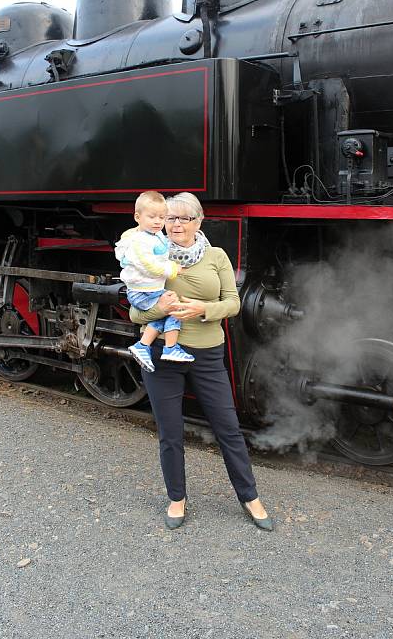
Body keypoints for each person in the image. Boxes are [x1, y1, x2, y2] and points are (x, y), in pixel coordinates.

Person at [128, 192, 273, 532]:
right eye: (171, 218)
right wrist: (161, 309)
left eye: (185, 218)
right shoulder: (150, 255)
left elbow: (232, 303)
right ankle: (176, 498)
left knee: (228, 429)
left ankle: (249, 496)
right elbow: (136, 311)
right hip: (163, 356)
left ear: (199, 221)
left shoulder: (216, 256)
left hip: (207, 356)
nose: (177, 224)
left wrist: (203, 309)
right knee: (170, 433)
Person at [115, 190, 195, 373]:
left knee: (163, 314)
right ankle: (170, 348)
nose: (158, 221)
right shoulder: (140, 241)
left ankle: (143, 346)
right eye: (152, 217)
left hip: (149, 288)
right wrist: (172, 269)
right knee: (174, 308)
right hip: (142, 291)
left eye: (162, 217)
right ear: (137, 217)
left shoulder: (152, 235)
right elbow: (148, 265)